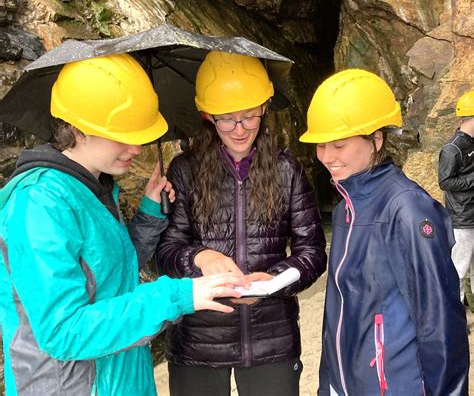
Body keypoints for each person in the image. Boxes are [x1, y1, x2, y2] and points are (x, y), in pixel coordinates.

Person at [0, 53, 246, 396]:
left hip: (122, 379)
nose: (136, 147)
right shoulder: (40, 205)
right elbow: (65, 332)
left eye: (139, 134)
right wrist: (178, 295)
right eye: (123, 134)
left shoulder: (94, 187)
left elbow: (111, 274)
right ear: (77, 128)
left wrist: (149, 216)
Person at [156, 51, 327, 396]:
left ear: (264, 108)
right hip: (198, 340)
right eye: (227, 119)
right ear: (207, 116)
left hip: (271, 339)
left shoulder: (286, 170)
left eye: (249, 117)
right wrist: (199, 258)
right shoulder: (184, 171)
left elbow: (313, 251)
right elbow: (166, 251)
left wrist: (277, 279)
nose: (240, 129)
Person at [299, 69, 469, 396]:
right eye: (321, 145)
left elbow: (442, 327)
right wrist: (328, 385)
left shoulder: (408, 210)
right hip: (349, 385)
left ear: (376, 139)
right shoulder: (346, 208)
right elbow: (337, 313)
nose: (326, 157)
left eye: (339, 144)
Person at [438, 90, 474, 304]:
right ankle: (455, 315)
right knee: (459, 268)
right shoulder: (452, 149)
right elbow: (445, 182)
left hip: (472, 214)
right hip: (462, 218)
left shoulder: (471, 144)